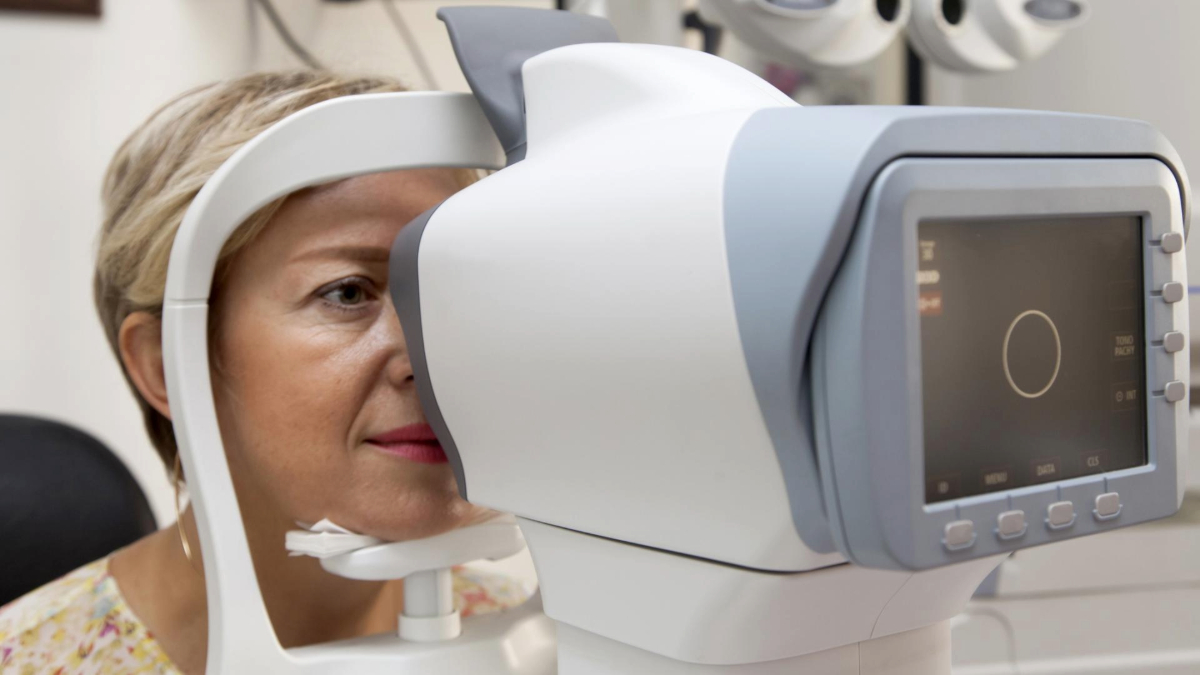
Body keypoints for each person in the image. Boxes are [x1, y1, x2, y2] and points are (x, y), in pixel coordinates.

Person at [0, 71, 526, 674]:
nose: (434, 365)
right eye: (348, 293)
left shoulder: (536, 639)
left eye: (450, 288)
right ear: (169, 363)